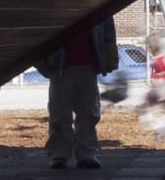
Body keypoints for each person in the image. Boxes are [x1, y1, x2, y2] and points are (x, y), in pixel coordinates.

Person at [40, 13, 120, 170]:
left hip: (85, 64)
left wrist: (109, 57)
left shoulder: (98, 4)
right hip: (62, 66)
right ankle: (62, 154)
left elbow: (109, 32)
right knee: (60, 112)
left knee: (87, 112)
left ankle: (84, 153)